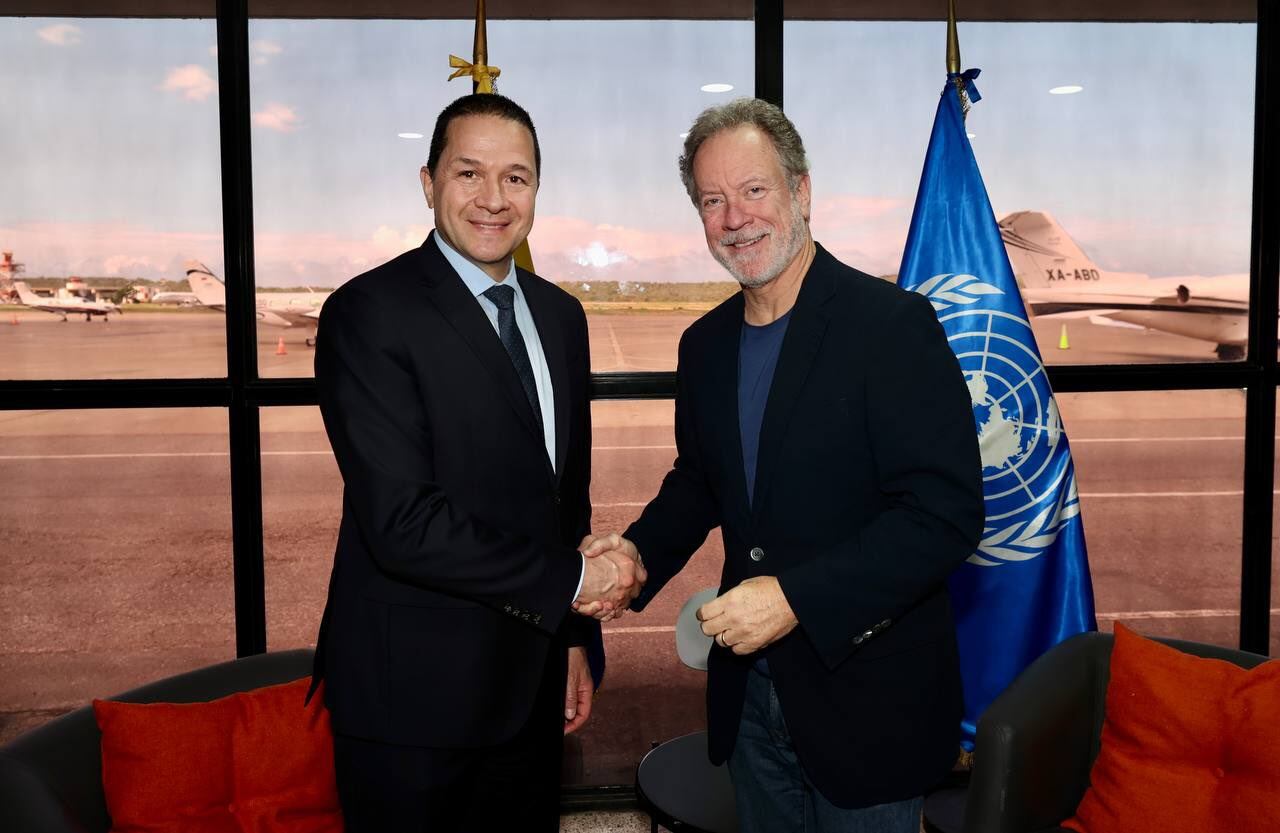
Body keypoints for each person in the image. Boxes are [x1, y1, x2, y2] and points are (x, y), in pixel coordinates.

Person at [582, 98, 984, 831]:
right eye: (712, 200)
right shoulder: (705, 346)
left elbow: (945, 516)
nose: (735, 217)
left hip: (867, 705)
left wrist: (796, 598)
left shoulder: (891, 327)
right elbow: (700, 481)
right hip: (750, 700)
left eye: (753, 189)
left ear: (801, 192)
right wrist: (638, 553)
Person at [308, 93, 645, 832]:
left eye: (515, 177)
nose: (494, 198)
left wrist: (574, 637)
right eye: (469, 173)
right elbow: (403, 523)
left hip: (531, 687)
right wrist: (577, 582)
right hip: (411, 703)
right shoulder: (369, 312)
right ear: (427, 182)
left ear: (537, 189)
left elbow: (565, 500)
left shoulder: (561, 317)